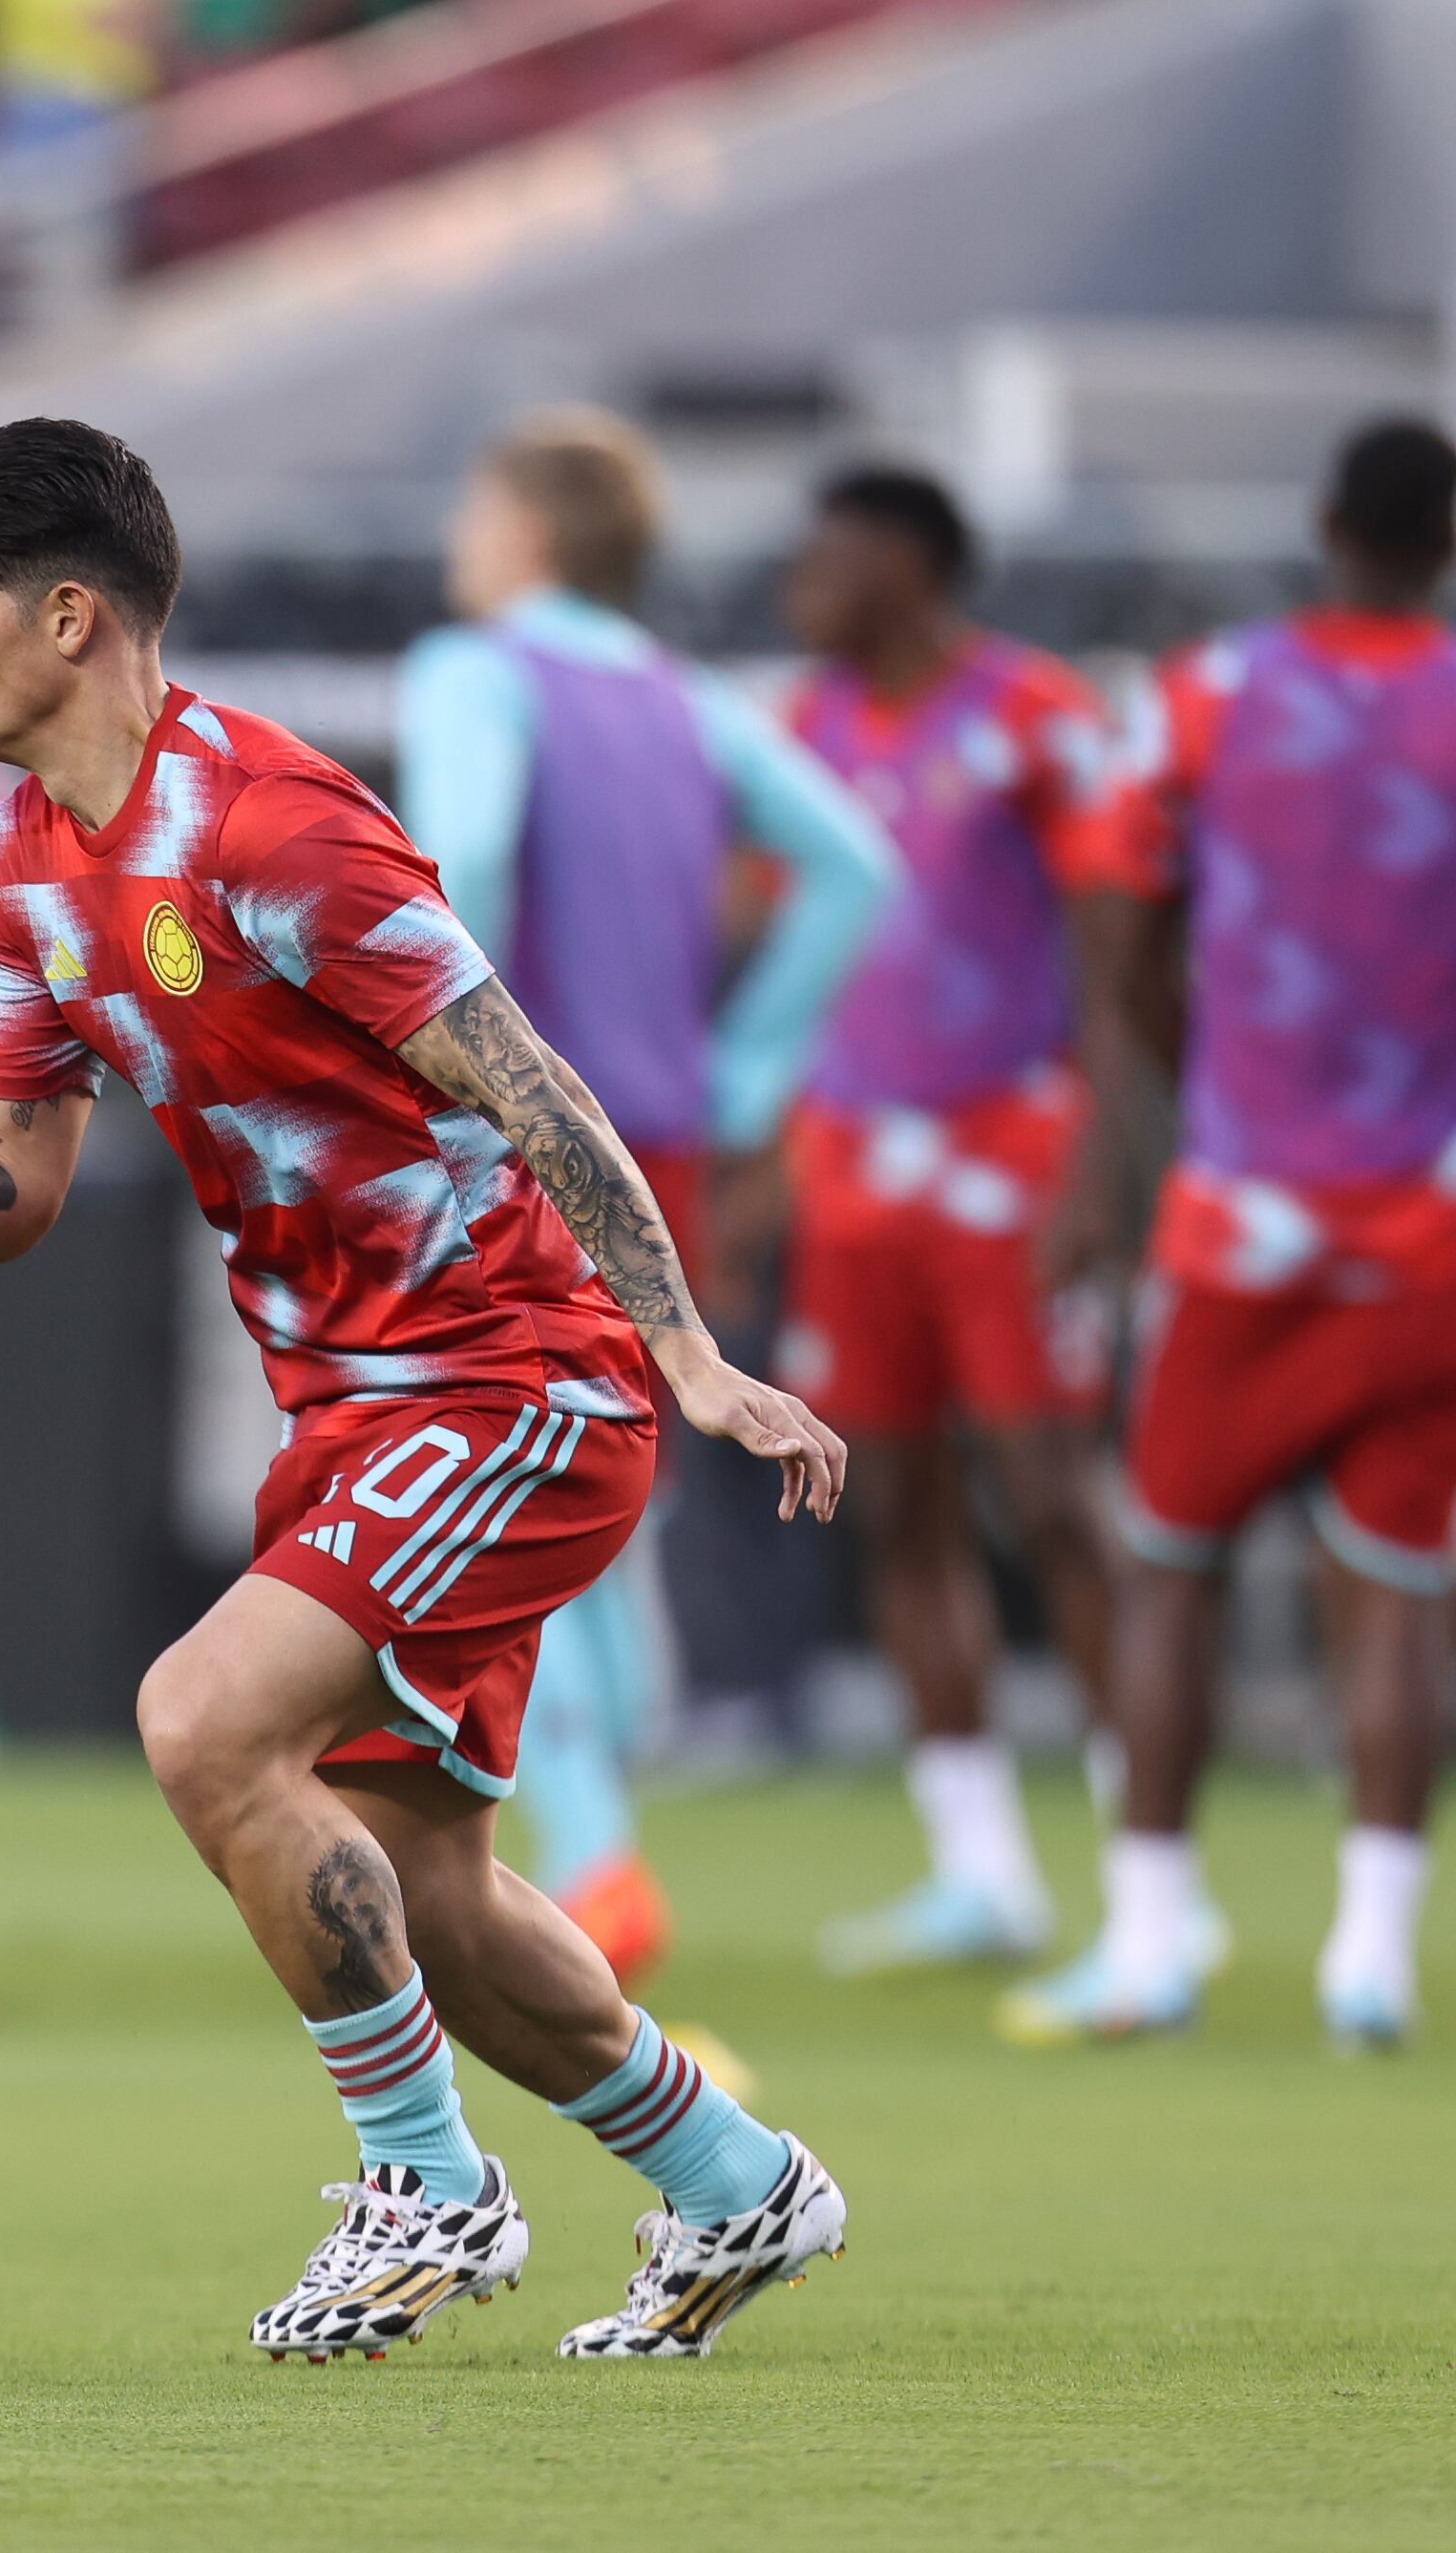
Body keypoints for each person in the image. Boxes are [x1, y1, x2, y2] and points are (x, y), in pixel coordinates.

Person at [0, 415, 850, 2360]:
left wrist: (683, 1351)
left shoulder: (272, 828)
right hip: (356, 1408)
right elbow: (8, 1187)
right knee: (426, 1886)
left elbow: (531, 1079)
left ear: (67, 615)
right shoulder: (26, 855)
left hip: (508, 1382)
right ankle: (735, 2184)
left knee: (197, 1719)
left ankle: (426, 2181)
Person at [1006, 419, 1456, 2051]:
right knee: (1396, 1588)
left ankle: (1152, 1940)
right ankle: (1369, 1960)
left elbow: (1113, 908)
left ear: (1325, 521)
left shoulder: (1212, 695)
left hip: (1247, 1229)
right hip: (1444, 1233)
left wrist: (1168, 1061)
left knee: (1170, 1568)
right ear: (1453, 544)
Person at [393, 407, 895, 1985]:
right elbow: (858, 867)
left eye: (477, 513)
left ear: (528, 534)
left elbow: (462, 847)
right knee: (596, 1482)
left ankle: (593, 1847)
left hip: (509, 1136)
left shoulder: (474, 673)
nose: (460, 544)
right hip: (656, 1145)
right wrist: (747, 1069)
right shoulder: (694, 706)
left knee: (502, 1481)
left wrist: (424, 1056)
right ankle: (592, 1846)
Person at [772, 464, 1136, 1973]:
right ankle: (979, 1865)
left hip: (1009, 1147)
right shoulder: (805, 730)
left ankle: (1148, 1865)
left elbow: (1118, 943)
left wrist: (1104, 1153)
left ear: (909, 565)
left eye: (831, 551)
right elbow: (767, 940)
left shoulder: (1035, 716)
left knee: (1051, 1496)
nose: (804, 578)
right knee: (897, 1500)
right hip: (850, 1157)